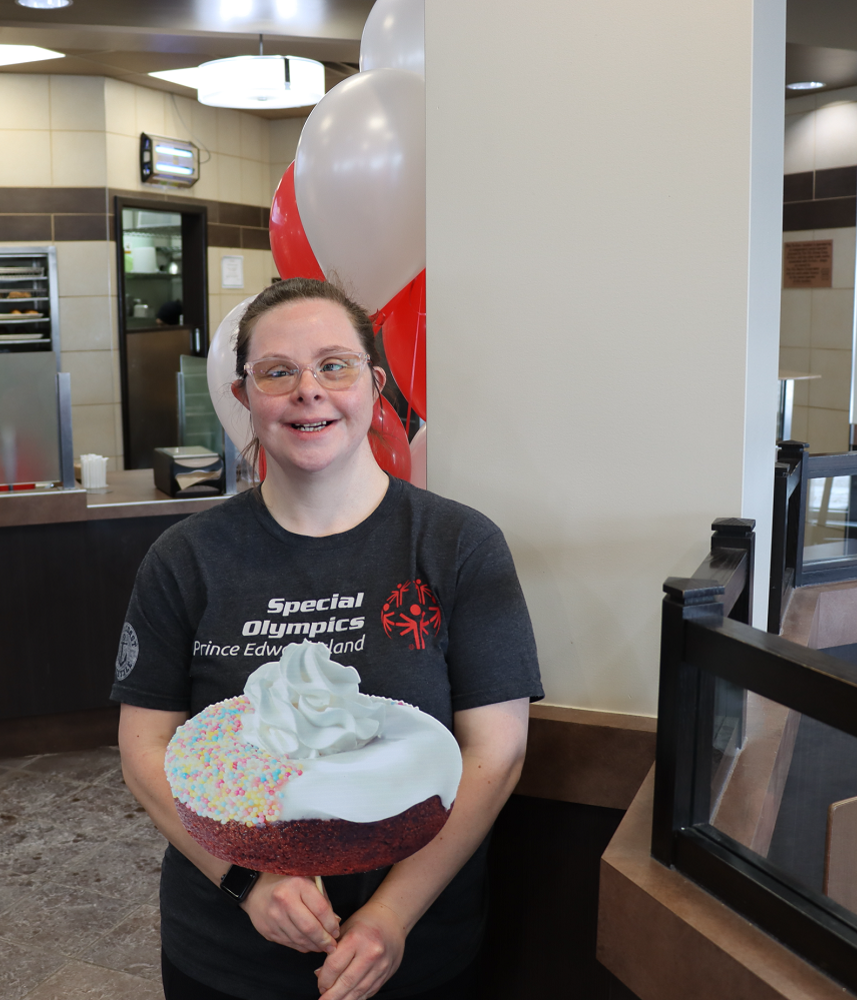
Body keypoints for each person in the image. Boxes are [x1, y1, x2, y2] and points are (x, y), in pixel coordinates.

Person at [112, 277, 543, 1000]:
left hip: (416, 952)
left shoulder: (459, 545)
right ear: (245, 395)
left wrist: (391, 916)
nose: (308, 391)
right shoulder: (185, 559)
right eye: (277, 372)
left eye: (334, 365)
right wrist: (249, 881)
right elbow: (144, 751)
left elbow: (496, 753)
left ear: (373, 385)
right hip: (225, 956)